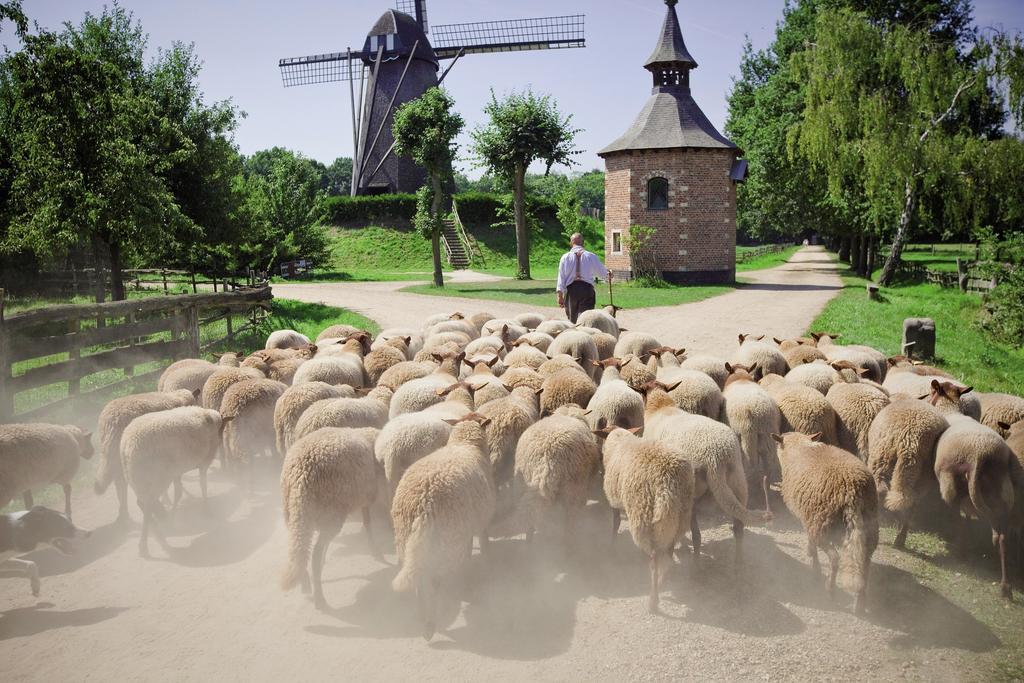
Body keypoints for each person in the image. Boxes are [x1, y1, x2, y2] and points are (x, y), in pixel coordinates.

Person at [555, 232, 612, 323]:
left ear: (571, 243)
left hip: (571, 291)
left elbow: (561, 277)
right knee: (585, 319)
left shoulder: (565, 257)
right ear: (583, 243)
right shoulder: (590, 256)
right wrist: (608, 274)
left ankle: (575, 335)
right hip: (587, 290)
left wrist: (560, 295)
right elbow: (604, 274)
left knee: (572, 321)